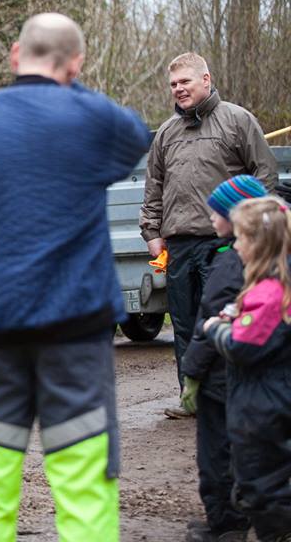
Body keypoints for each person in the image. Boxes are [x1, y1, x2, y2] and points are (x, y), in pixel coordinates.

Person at [0, 13, 151, 541]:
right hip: (76, 333)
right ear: (76, 64)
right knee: (84, 486)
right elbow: (135, 133)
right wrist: (71, 83)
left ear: (12, 55)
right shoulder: (89, 122)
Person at [139, 52, 277, 417]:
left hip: (227, 244)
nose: (179, 89)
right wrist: (152, 232)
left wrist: (252, 230)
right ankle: (192, 398)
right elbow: (154, 188)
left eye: (185, 81)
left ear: (206, 79)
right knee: (185, 324)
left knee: (227, 317)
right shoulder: (167, 133)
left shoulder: (238, 121)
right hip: (179, 245)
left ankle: (236, 396)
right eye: (173, 84)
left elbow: (265, 176)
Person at [179, 175, 265, 542]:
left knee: (216, 453)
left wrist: (192, 371)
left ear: (235, 216)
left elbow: (209, 321)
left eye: (215, 212)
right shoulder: (259, 256)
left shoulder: (232, 262)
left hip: (219, 376)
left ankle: (226, 524)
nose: (209, 217)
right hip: (243, 375)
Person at [204, 196, 291, 542]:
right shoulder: (272, 288)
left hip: (261, 406)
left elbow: (243, 345)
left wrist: (216, 329)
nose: (235, 245)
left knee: (260, 487)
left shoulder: (268, 293)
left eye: (240, 238)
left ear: (257, 244)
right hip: (266, 400)